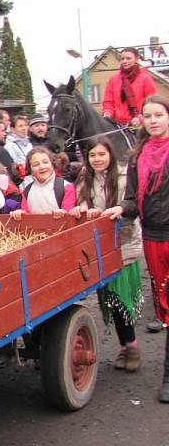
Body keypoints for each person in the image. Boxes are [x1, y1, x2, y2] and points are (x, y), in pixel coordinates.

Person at [103, 95, 169, 402]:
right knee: (165, 309)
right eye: (148, 115)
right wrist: (120, 209)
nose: (153, 120)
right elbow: (132, 199)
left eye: (159, 114)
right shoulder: (138, 155)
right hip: (154, 239)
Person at [69, 138, 143, 371]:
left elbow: (130, 207)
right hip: (99, 246)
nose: (97, 159)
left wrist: (110, 213)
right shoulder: (84, 178)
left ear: (110, 155)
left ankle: (132, 346)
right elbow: (81, 204)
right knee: (108, 299)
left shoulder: (123, 177)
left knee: (121, 298)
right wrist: (81, 209)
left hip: (123, 243)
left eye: (101, 154)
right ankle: (125, 346)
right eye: (93, 156)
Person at [10, 147, 76, 220]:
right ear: (30, 169)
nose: (42, 167)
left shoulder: (65, 187)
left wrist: (63, 213)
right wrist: (20, 214)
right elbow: (27, 220)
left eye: (45, 162)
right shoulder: (27, 191)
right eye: (36, 165)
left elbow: (70, 217)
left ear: (52, 164)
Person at [102, 47, 157, 128]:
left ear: (137, 59)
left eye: (128, 58)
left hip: (141, 126)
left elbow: (152, 102)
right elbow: (108, 102)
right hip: (117, 126)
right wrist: (107, 113)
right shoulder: (113, 80)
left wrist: (139, 118)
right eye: (122, 59)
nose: (125, 61)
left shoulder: (145, 78)